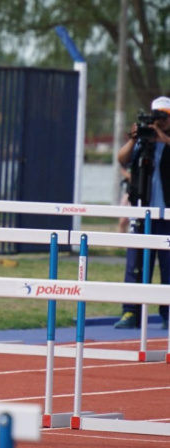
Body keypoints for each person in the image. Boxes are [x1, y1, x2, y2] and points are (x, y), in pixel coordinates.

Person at [113, 96, 170, 330]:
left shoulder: (166, 140)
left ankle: (167, 313)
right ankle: (131, 312)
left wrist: (163, 138)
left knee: (168, 267)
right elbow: (122, 159)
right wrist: (134, 139)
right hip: (142, 210)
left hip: (167, 214)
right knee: (135, 264)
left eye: (164, 117)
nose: (159, 121)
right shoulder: (143, 139)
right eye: (157, 116)